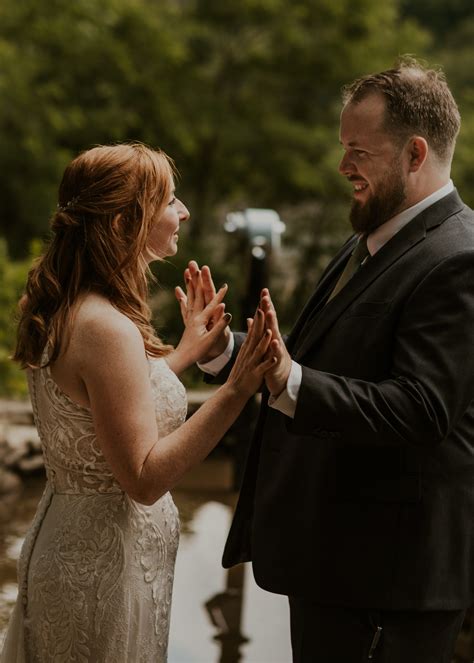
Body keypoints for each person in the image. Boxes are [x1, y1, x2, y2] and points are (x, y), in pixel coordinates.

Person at [185, 57, 474, 662]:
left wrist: (288, 380)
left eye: (358, 151)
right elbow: (320, 356)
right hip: (339, 567)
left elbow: (423, 409)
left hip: (388, 583)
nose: (343, 166)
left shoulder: (458, 256)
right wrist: (224, 350)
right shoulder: (371, 238)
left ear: (415, 154)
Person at [0, 142, 275, 663]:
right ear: (127, 223)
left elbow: (104, 404)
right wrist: (237, 387)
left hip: (80, 545)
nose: (184, 211)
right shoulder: (106, 328)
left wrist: (186, 353)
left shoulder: (72, 306)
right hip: (103, 568)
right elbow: (145, 478)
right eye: (170, 201)